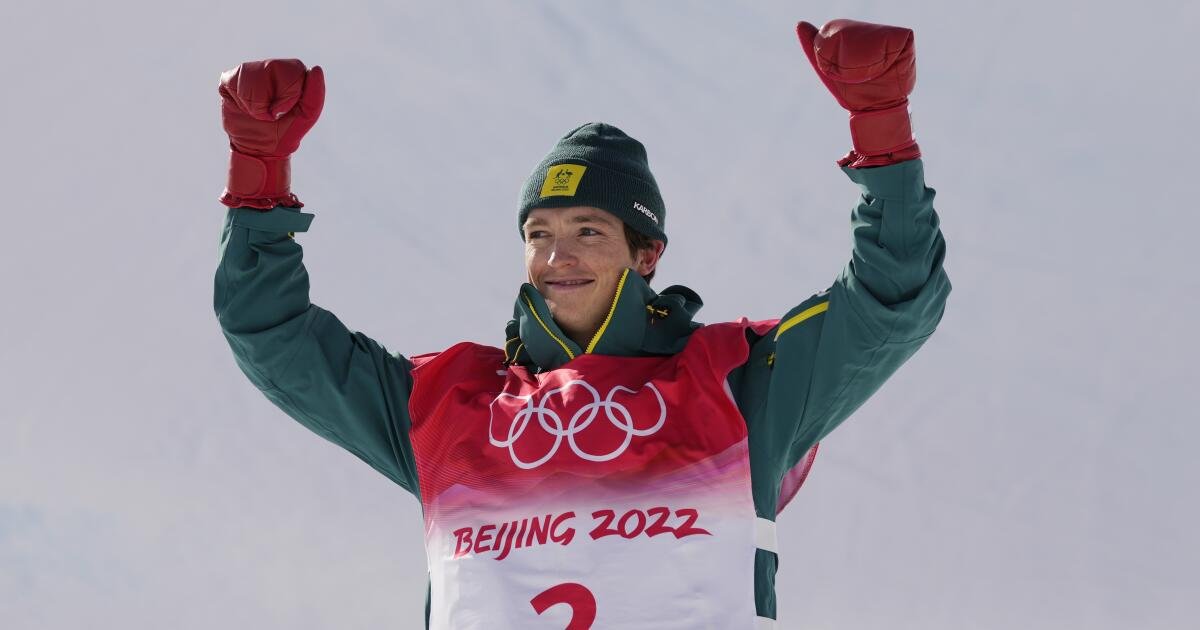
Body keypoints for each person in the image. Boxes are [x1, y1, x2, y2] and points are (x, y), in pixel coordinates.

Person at [213, 18, 950, 630]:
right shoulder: (445, 404)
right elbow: (271, 332)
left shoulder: (738, 383)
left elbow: (893, 300)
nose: (557, 255)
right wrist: (256, 178)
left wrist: (883, 135)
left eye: (589, 231)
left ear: (648, 252)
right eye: (539, 233)